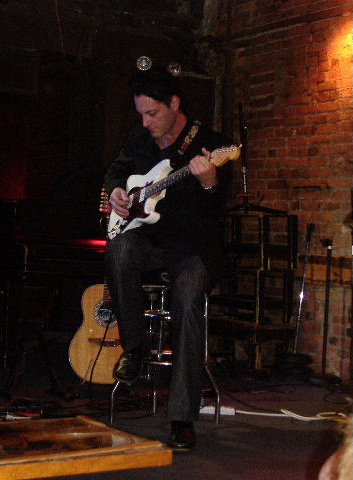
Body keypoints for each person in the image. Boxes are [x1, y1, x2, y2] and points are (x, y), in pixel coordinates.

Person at [104, 66, 235, 450]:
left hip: (193, 245)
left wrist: (208, 181)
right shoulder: (140, 138)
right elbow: (117, 168)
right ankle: (135, 345)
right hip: (150, 237)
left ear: (174, 104)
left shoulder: (212, 144)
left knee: (189, 300)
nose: (145, 123)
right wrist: (115, 190)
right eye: (141, 114)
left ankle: (181, 417)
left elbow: (216, 213)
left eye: (152, 114)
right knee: (119, 249)